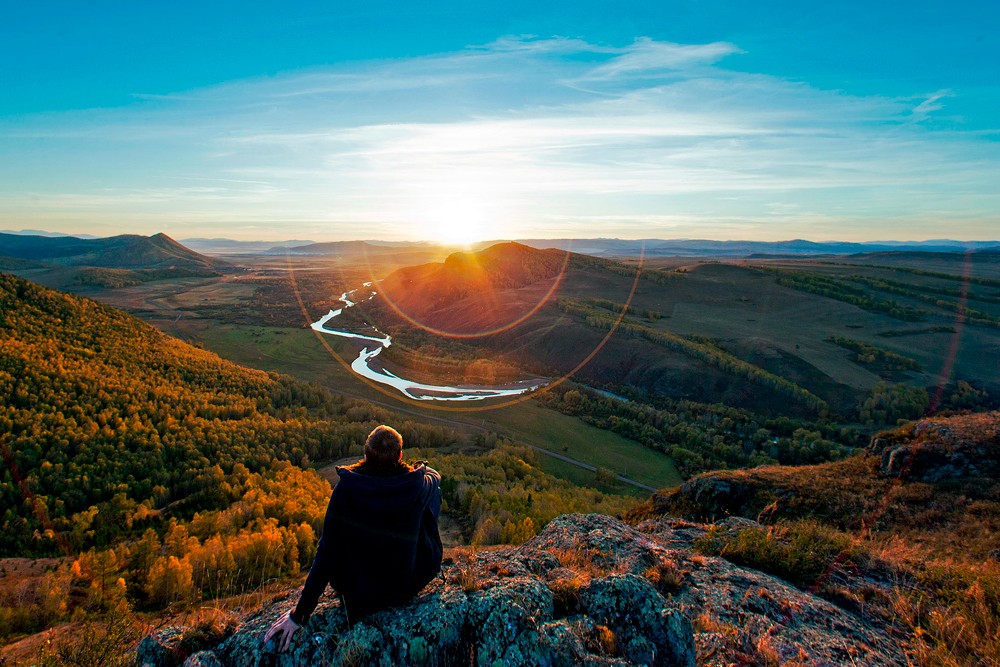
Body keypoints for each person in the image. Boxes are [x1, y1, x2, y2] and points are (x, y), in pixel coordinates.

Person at [264, 425, 443, 652]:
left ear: (365, 455)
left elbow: (326, 553)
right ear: (400, 456)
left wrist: (299, 615)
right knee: (433, 495)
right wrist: (420, 469)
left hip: (358, 595)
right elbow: (435, 477)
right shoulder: (416, 485)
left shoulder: (346, 489)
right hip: (405, 587)